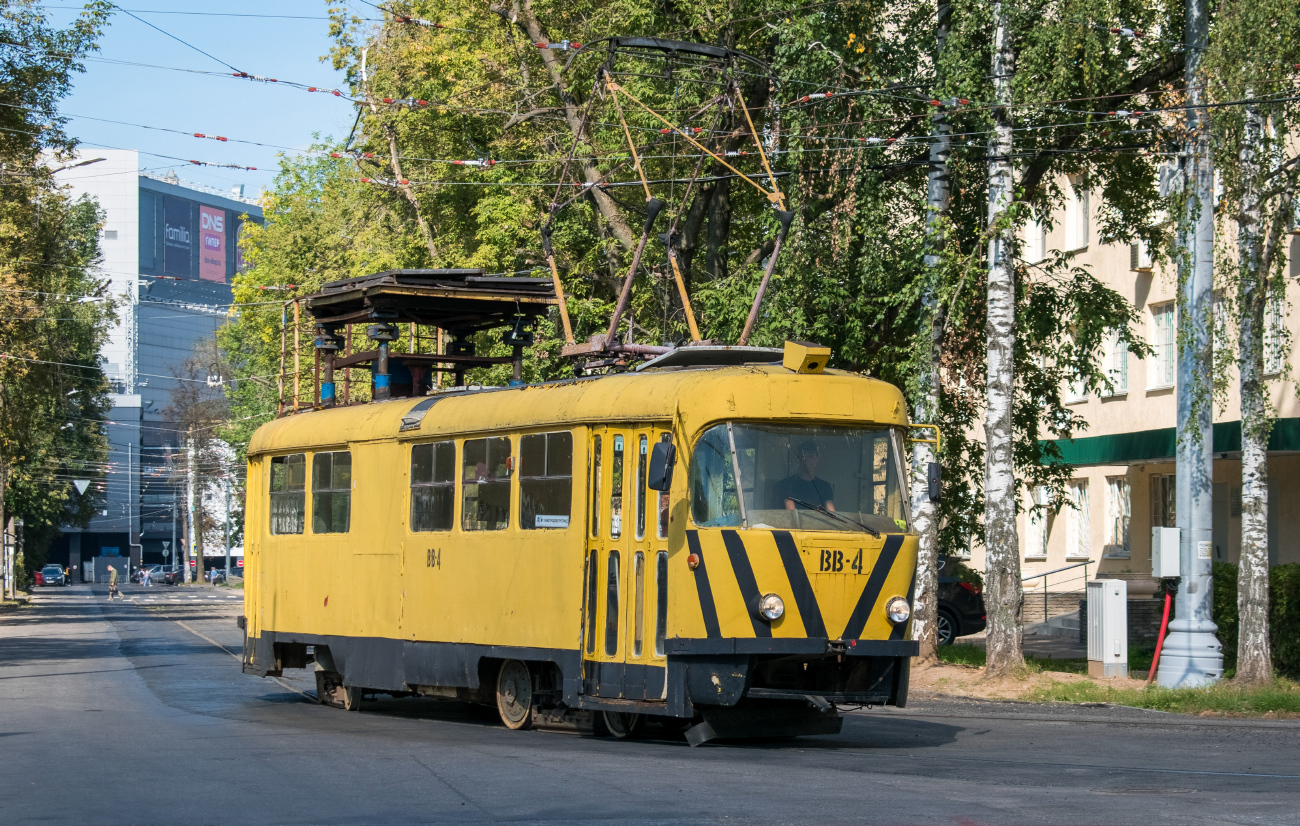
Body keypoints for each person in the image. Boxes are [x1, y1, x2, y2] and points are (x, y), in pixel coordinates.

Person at [779, 440, 835, 511]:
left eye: (811, 457)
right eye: (803, 457)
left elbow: (831, 512)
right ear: (799, 459)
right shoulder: (787, 484)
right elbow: (792, 512)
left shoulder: (825, 486)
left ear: (817, 458)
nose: (807, 461)